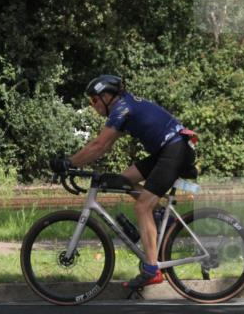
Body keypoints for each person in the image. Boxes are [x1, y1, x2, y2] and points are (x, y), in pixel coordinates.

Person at [52, 75, 197, 289]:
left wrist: (69, 163)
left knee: (141, 206)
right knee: (123, 180)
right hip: (168, 149)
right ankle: (163, 221)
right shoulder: (123, 108)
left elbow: (98, 145)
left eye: (94, 100)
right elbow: (105, 145)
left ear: (107, 96)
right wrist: (75, 163)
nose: (93, 106)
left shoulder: (122, 108)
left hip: (175, 149)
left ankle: (151, 270)